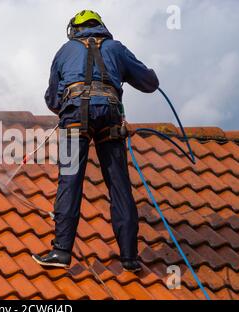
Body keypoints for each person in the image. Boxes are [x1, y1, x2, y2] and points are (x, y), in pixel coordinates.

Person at [32, 10, 159, 272]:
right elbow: (148, 83)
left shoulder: (65, 51)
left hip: (75, 116)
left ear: (74, 29)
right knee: (119, 184)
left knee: (70, 180)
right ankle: (129, 257)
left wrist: (70, 105)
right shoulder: (116, 48)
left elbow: (53, 100)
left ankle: (61, 252)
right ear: (100, 27)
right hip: (110, 115)